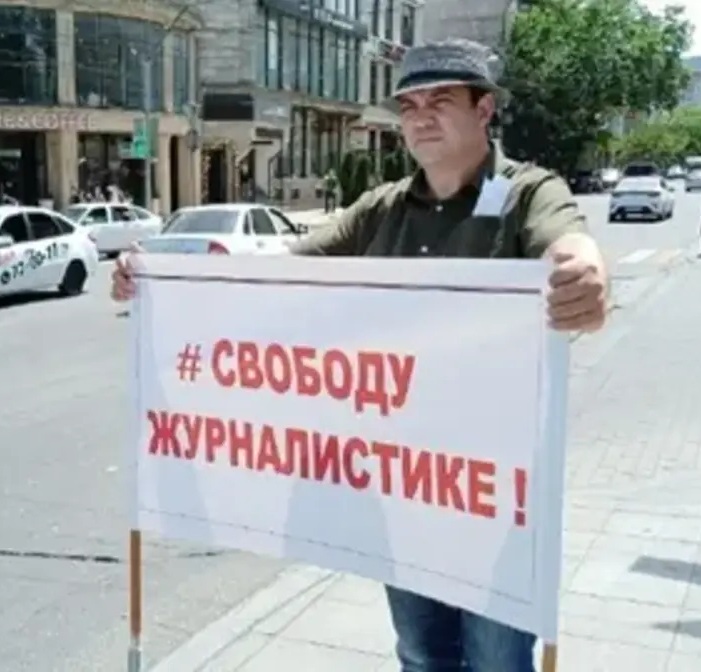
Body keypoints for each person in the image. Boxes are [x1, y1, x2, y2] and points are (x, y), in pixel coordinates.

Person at [110, 38, 607, 672]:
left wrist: (584, 277)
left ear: (485, 110)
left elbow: (568, 247)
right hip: (403, 488)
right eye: (409, 105)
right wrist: (157, 276)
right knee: (422, 654)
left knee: (496, 660)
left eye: (442, 100)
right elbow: (271, 271)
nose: (421, 116)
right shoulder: (382, 208)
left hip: (490, 494)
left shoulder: (528, 192)